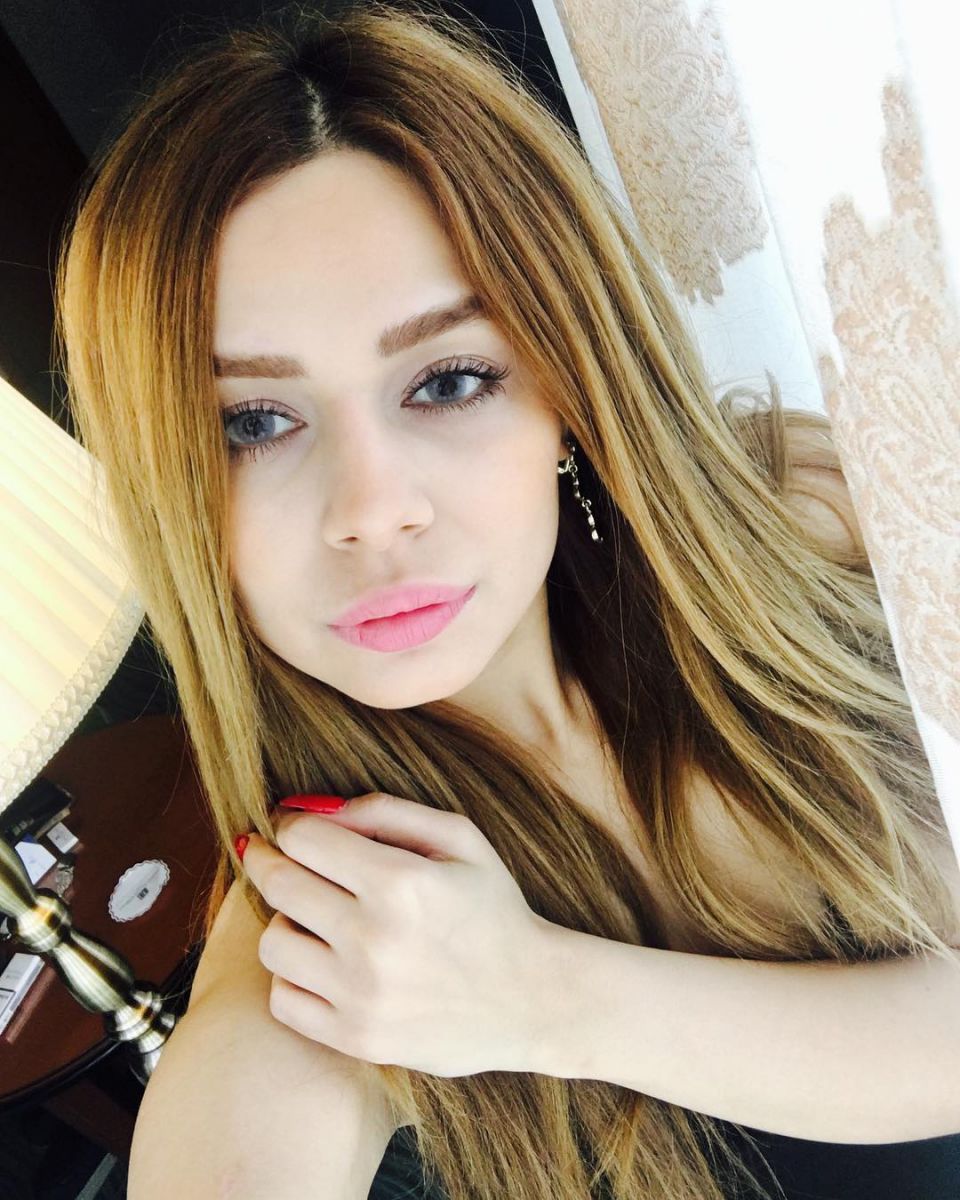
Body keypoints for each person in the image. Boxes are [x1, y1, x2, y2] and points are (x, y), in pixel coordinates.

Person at [54, 4, 960, 1198]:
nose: (373, 510)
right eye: (253, 422)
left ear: (563, 387)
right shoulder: (338, 928)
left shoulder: (813, 519)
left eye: (448, 380)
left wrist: (539, 997)